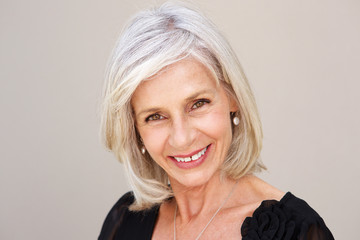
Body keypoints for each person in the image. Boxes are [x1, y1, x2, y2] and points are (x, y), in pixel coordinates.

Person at [98, 2, 334, 239]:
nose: (182, 138)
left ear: (232, 98)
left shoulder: (295, 231)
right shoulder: (124, 219)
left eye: (198, 104)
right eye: (155, 116)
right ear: (135, 129)